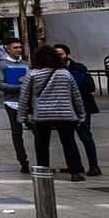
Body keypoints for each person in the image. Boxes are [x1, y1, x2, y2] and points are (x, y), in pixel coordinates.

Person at [22, 45, 86, 182]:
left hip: (42, 115)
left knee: (42, 144)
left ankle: (44, 171)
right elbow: (76, 95)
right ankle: (75, 172)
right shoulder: (65, 73)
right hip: (65, 114)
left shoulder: (32, 74)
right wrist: (81, 114)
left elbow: (24, 96)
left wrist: (22, 116)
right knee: (69, 143)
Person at [53, 44, 102, 176]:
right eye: (55, 54)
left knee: (85, 137)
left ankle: (94, 166)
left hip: (82, 107)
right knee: (67, 139)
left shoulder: (78, 68)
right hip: (63, 109)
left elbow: (88, 87)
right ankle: (75, 165)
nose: (58, 56)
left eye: (61, 53)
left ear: (67, 54)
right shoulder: (51, 70)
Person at [0, 38, 33, 173]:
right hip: (12, 102)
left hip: (28, 102)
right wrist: (20, 86)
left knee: (37, 130)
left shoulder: (26, 64)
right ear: (8, 49)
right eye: (15, 47)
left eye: (20, 47)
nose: (18, 50)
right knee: (17, 133)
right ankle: (23, 161)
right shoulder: (2, 65)